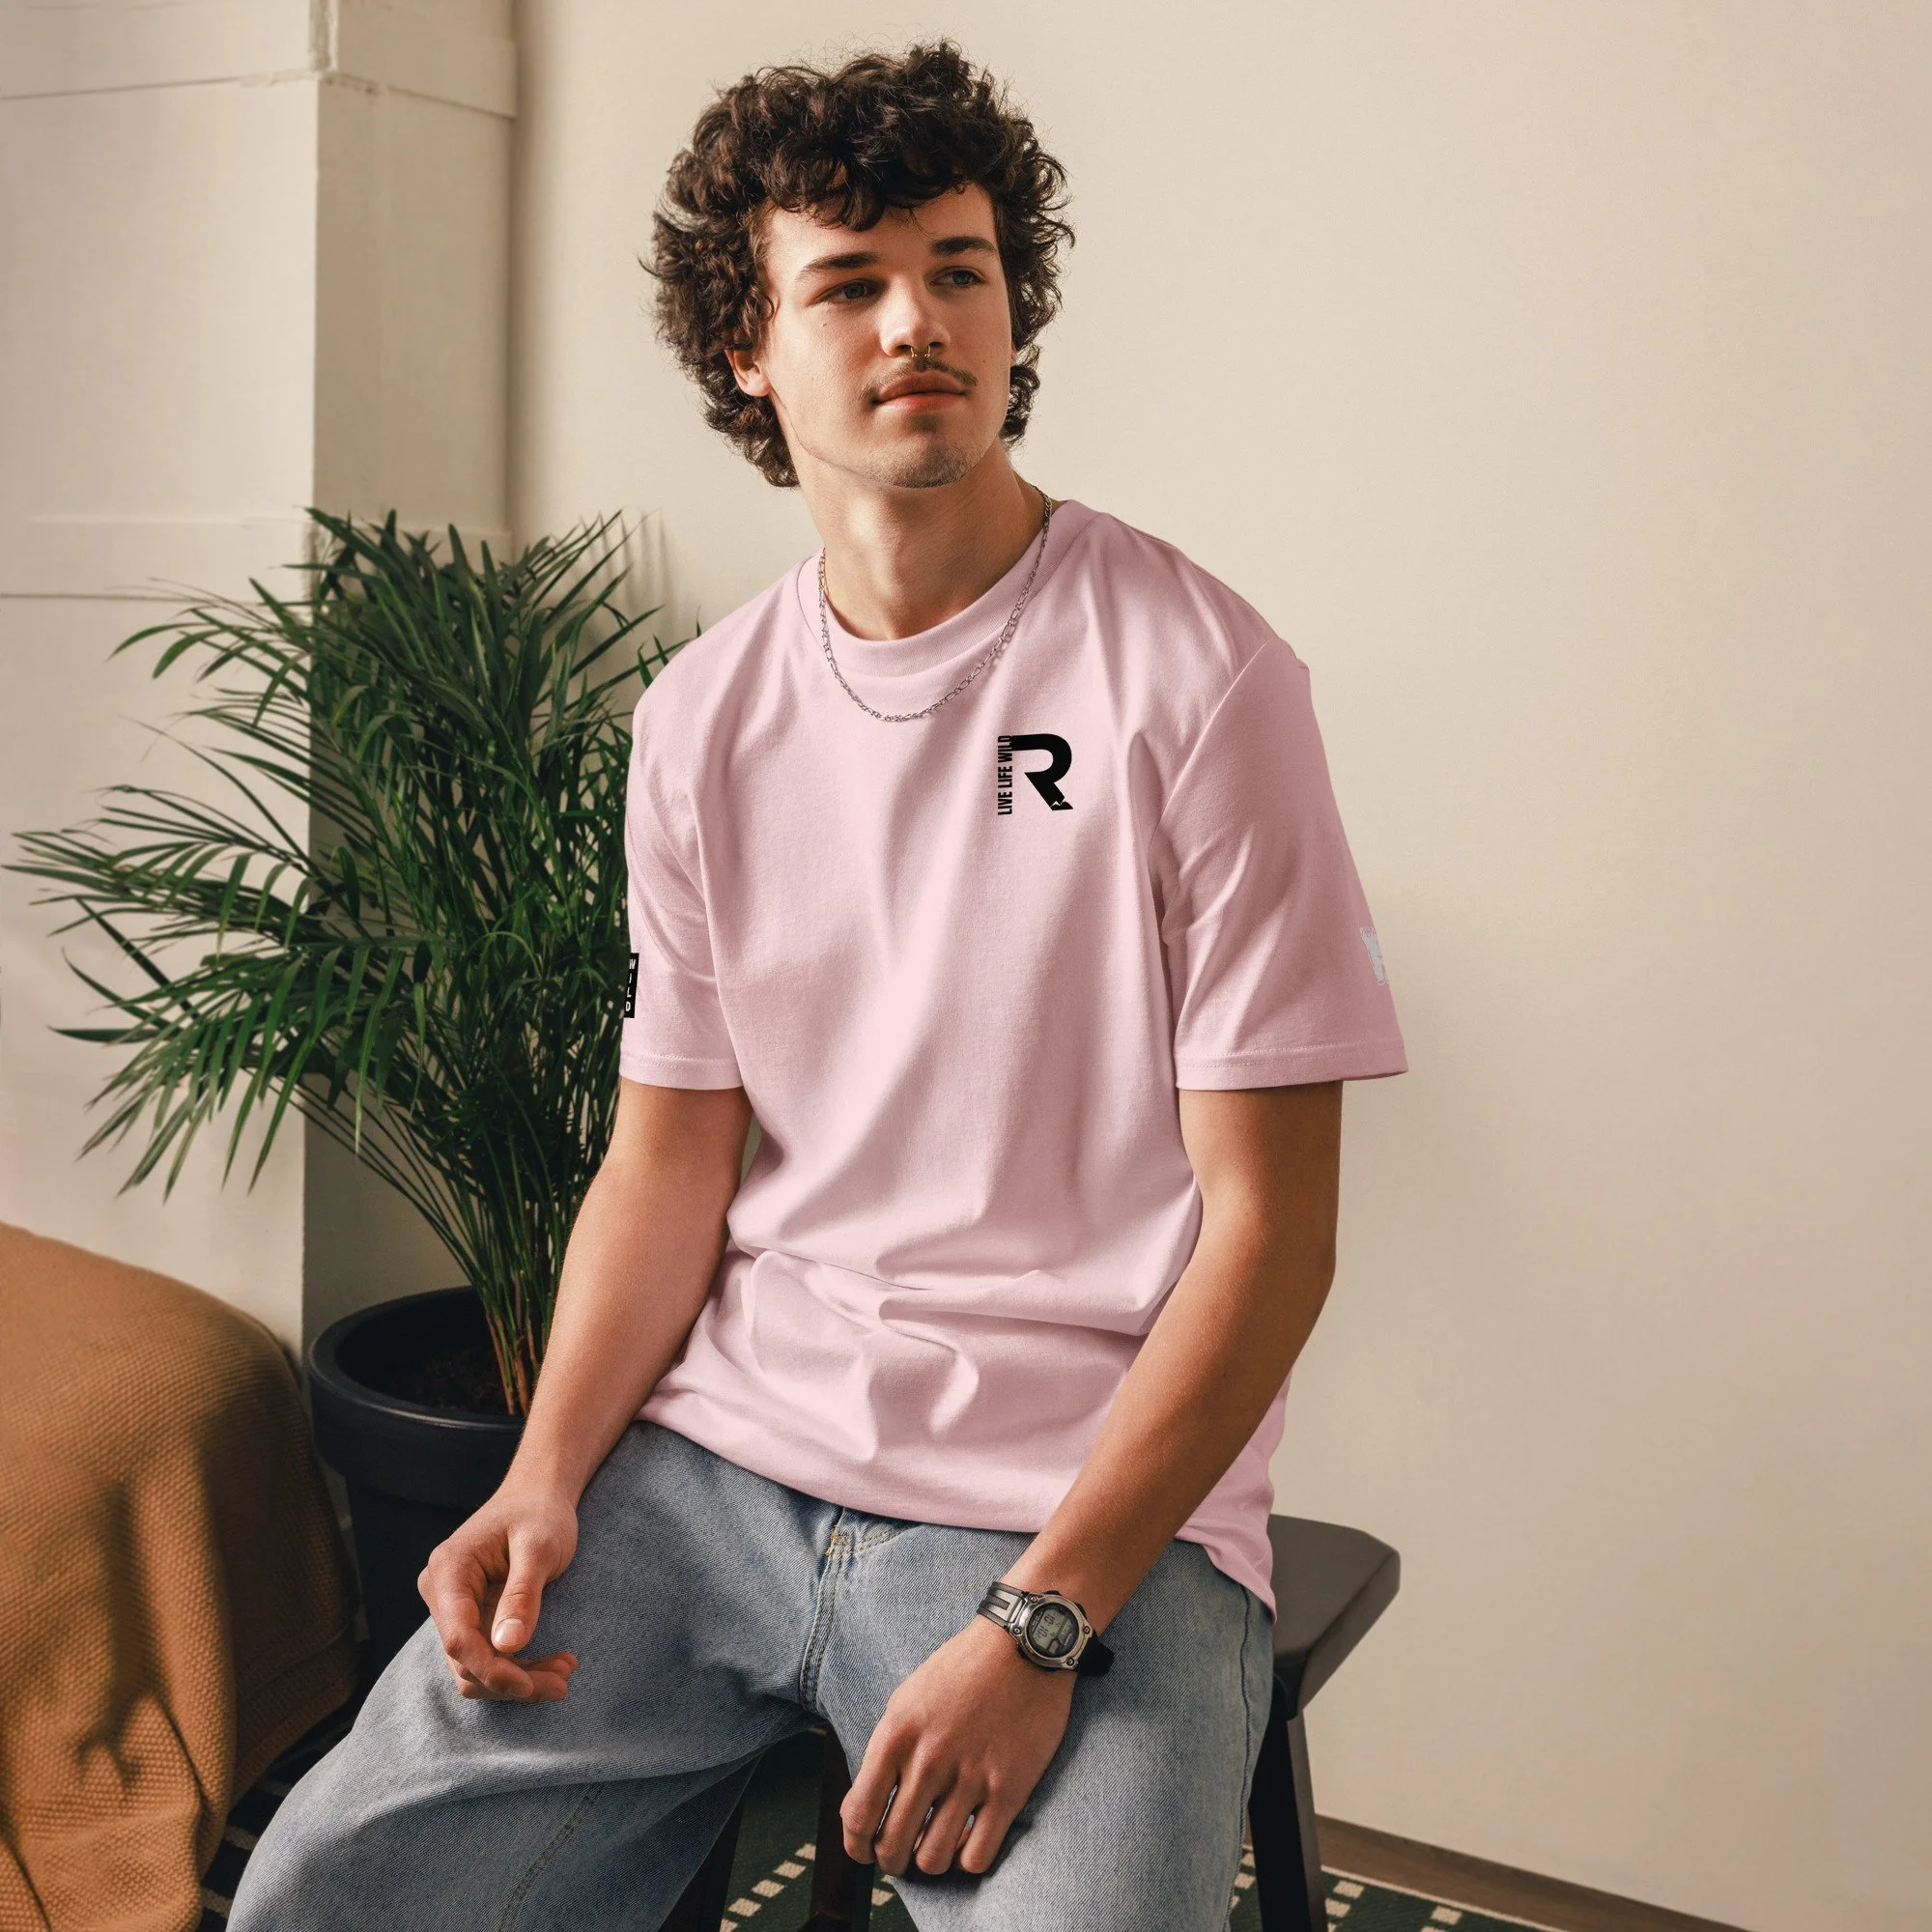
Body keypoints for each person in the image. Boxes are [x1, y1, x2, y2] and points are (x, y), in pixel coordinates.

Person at [230, 38, 1406, 1932]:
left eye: (958, 270)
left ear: (1013, 312)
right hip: (714, 1478)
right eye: (848, 282)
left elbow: (1271, 1234)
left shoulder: (1199, 681)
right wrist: (545, 1477)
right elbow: (668, 1159)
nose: (917, 320)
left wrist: (1041, 1621)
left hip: (1071, 1508)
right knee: (320, 1890)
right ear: (749, 355)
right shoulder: (703, 720)